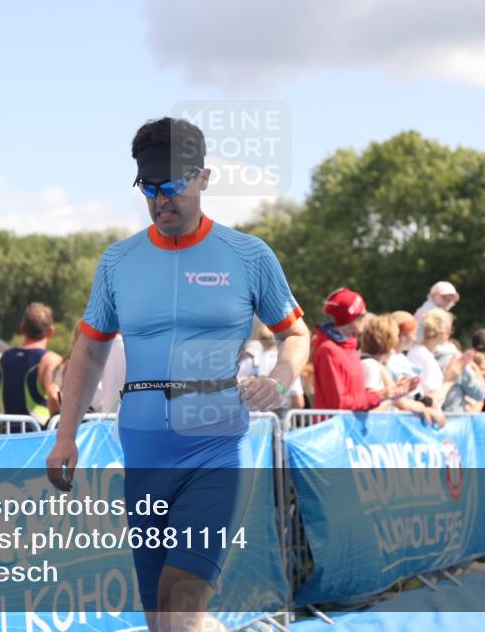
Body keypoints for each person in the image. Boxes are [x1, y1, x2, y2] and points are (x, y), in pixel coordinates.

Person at [45, 116, 310, 632]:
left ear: (204, 178)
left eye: (172, 186)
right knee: (161, 622)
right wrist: (66, 435)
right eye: (149, 188)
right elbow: (88, 351)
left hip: (213, 452)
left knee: (182, 609)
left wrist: (278, 380)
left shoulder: (248, 255)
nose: (161, 199)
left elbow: (297, 335)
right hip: (143, 458)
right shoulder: (118, 261)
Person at [313, 289, 413, 412]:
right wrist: (382, 395)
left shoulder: (351, 349)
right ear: (351, 318)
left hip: (351, 427)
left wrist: (391, 393)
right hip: (336, 428)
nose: (366, 319)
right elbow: (338, 402)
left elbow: (358, 398)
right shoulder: (328, 350)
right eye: (362, 315)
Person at [0, 302, 63, 430]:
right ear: (51, 332)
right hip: (38, 439)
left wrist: (1, 427)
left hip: (10, 440)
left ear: (22, 328)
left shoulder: (3, 359)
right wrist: (55, 431)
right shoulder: (50, 360)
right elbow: (54, 397)